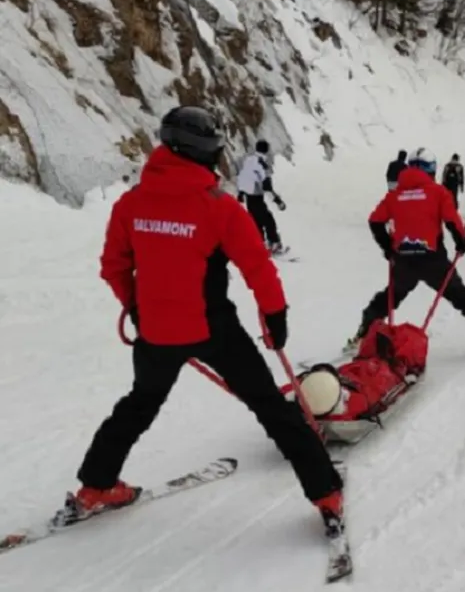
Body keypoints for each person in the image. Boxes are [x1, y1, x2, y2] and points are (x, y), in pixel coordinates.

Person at [75, 105, 344, 528]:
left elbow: (113, 266)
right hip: (213, 328)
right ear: (204, 151)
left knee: (139, 404)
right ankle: (325, 492)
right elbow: (258, 267)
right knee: (271, 407)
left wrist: (139, 309)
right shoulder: (218, 206)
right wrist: (275, 318)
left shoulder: (131, 203)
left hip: (156, 334)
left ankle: (95, 485)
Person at [348, 147, 465, 349]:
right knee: (459, 294)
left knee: (390, 296)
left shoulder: (395, 194)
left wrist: (388, 248)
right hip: (433, 260)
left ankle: (364, 329)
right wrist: (461, 243)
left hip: (403, 260)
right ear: (431, 169)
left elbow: (375, 221)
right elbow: (452, 221)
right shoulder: (439, 192)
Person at [236, 140, 287, 255]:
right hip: (257, 197)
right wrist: (278, 201)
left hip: (249, 197)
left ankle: (259, 245)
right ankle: (274, 244)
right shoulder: (262, 164)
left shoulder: (249, 160)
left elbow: (242, 176)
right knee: (268, 220)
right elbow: (266, 187)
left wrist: (240, 193)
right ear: (266, 150)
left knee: (256, 222)